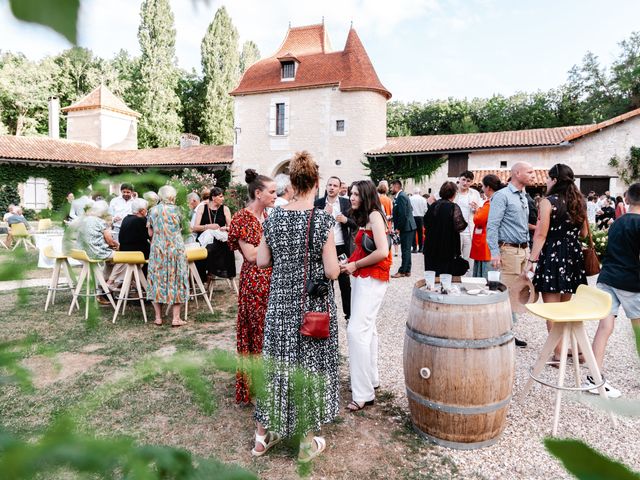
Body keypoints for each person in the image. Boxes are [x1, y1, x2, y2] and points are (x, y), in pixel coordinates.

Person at [254, 151, 340, 463]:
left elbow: (261, 260)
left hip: (279, 306)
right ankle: (305, 444)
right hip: (311, 310)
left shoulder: (273, 217)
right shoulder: (322, 220)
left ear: (292, 183)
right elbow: (331, 271)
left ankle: (262, 438)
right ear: (316, 183)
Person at [526, 164, 588, 360]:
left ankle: (559, 352)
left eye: (548, 178)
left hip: (553, 256)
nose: (545, 181)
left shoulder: (548, 201)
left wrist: (531, 260)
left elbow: (541, 235)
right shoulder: (580, 201)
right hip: (573, 257)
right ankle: (569, 348)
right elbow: (584, 233)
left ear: (554, 179)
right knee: (564, 308)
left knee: (551, 310)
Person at [341, 180, 392, 411]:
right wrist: (349, 263)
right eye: (351, 193)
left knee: (355, 330)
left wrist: (355, 265)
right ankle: (371, 380)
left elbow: (382, 251)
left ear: (366, 195)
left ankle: (363, 393)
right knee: (368, 329)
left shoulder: (374, 216)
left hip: (373, 278)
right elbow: (364, 248)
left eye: (356, 194)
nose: (351, 197)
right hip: (364, 277)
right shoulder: (366, 216)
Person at [228, 169, 277, 406]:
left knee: (268, 334)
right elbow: (250, 255)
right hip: (254, 282)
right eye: (272, 192)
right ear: (258, 193)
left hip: (271, 280)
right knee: (256, 332)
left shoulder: (267, 216)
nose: (276, 196)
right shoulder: (242, 218)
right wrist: (277, 245)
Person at [588, 182, 640, 398]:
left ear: (627, 199)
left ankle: (594, 378)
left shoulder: (617, 222)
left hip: (608, 277)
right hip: (632, 283)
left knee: (604, 328)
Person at [487, 162, 535, 348]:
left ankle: (507, 332)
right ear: (516, 173)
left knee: (517, 294)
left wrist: (529, 251)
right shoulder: (502, 196)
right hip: (508, 251)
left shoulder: (523, 195)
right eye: (529, 172)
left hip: (523, 250)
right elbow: (493, 226)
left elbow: (522, 226)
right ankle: (500, 334)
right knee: (506, 293)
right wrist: (495, 253)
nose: (533, 175)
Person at [146, 185, 189, 327]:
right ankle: (176, 318)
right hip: (175, 248)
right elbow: (186, 230)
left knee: (156, 280)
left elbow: (150, 233)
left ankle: (158, 317)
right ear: (173, 196)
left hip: (158, 249)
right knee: (177, 279)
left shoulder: (152, 211)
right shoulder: (179, 210)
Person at [315, 176, 356, 320]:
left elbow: (356, 224)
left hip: (341, 247)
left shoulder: (346, 203)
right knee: (327, 282)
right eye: (329, 185)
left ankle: (349, 315)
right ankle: (329, 313)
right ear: (326, 187)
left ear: (339, 189)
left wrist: (346, 220)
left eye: (335, 185)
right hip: (325, 249)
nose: (332, 188)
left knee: (345, 283)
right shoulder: (318, 203)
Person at [423, 182, 468, 276]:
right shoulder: (453, 207)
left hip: (431, 246)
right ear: (454, 194)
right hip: (447, 247)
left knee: (432, 275)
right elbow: (460, 226)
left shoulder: (433, 206)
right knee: (446, 276)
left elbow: (426, 222)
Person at [193, 187, 236, 281]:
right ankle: (206, 274)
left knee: (224, 246)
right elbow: (195, 228)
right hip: (204, 239)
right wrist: (208, 226)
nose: (223, 198)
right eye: (220, 196)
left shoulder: (225, 209)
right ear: (213, 197)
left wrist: (225, 228)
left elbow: (232, 227)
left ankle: (213, 271)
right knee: (208, 248)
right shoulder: (202, 208)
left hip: (220, 239)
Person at [107, 198, 150, 287]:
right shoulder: (141, 220)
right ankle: (146, 285)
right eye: (146, 209)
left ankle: (136, 283)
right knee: (153, 254)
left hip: (125, 251)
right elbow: (148, 236)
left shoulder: (126, 218)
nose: (147, 211)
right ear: (142, 211)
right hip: (136, 254)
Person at [470, 175, 502, 278]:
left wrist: (477, 211)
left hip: (486, 242)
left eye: (483, 186)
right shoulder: (495, 200)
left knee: (484, 274)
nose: (482, 189)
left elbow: (478, 219)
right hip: (489, 240)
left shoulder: (490, 202)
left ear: (488, 187)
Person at [454, 171, 483, 273]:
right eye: (463, 180)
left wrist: (476, 209)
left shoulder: (474, 193)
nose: (465, 183)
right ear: (459, 179)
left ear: (471, 182)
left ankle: (467, 281)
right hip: (454, 231)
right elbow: (433, 200)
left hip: (469, 231)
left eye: (468, 181)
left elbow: (480, 211)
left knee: (468, 260)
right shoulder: (452, 190)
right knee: (454, 258)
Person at [390, 179, 416, 278]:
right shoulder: (401, 196)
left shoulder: (401, 197)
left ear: (397, 186)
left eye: (392, 187)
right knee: (407, 249)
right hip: (408, 226)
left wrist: (398, 228)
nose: (391, 189)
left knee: (405, 249)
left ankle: (402, 271)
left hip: (406, 227)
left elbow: (403, 215)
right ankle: (407, 270)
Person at [377, 181, 397, 256]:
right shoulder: (389, 200)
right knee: (388, 241)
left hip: (380, 223)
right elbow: (392, 212)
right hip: (388, 223)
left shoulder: (377, 199)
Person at [409, 187, 428, 253]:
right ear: (419, 192)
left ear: (413, 192)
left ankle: (414, 248)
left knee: (413, 233)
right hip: (421, 217)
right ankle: (421, 248)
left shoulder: (410, 199)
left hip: (413, 216)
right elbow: (426, 209)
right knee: (420, 233)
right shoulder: (423, 199)